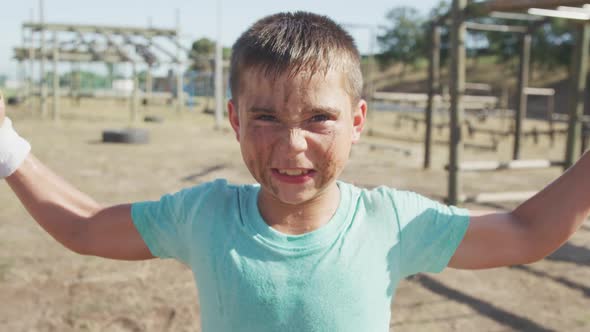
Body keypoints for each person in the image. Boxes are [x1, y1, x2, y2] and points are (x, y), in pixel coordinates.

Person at [2, 11, 590, 332]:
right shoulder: (202, 215)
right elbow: (82, 226)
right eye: (265, 116)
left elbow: (526, 232)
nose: (292, 145)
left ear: (358, 120)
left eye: (318, 118)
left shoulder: (392, 222)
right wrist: (8, 149)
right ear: (233, 117)